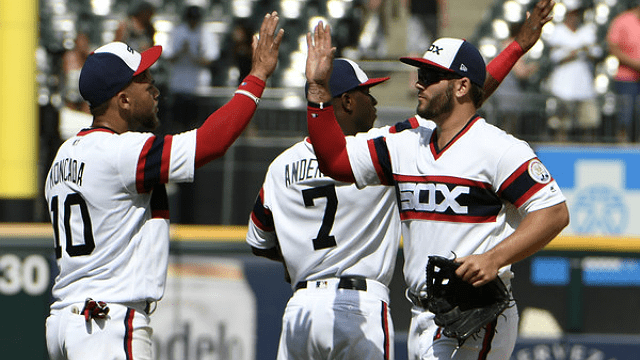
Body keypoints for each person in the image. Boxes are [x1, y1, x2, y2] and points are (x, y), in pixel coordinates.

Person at [304, 7, 569, 360]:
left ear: (461, 86)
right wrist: (319, 91)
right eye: (420, 73)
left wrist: (494, 258)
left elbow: (554, 213)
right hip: (420, 315)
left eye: (430, 75)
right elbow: (335, 161)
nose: (418, 82)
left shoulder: (498, 149)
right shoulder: (404, 141)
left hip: (475, 315)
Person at [44, 12, 284, 360]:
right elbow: (210, 142)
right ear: (123, 100)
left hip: (66, 320)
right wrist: (257, 76)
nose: (156, 88)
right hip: (106, 321)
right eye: (145, 81)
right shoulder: (121, 151)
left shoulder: (64, 155)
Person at [246, 58, 398, 360]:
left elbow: (258, 241)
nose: (374, 101)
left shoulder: (281, 166)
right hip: (359, 306)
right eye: (367, 93)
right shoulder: (381, 149)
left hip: (301, 309)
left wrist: (300, 257)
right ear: (348, 101)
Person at [545, 0, 601, 141]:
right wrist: (577, 51)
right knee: (562, 125)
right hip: (563, 87)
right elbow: (555, 56)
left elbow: (596, 51)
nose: (575, 17)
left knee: (588, 123)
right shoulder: (558, 31)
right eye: (572, 14)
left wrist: (573, 51)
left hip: (584, 86)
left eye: (577, 14)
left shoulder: (587, 30)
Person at [163, 5, 221, 132]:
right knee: (178, 123)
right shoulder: (178, 31)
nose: (193, 22)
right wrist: (181, 52)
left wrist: (192, 56)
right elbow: (168, 57)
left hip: (199, 85)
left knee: (196, 124)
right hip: (179, 84)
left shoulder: (206, 33)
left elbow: (211, 59)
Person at [606, 2, 640, 142]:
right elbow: (613, 47)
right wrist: (635, 64)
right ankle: (622, 144)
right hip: (627, 78)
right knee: (625, 117)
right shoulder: (623, 20)